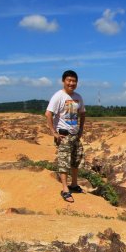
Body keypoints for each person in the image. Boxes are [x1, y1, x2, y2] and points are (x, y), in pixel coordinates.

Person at [45, 70, 86, 203]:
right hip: (63, 135)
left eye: (74, 81)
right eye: (69, 80)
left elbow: (82, 114)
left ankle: (74, 185)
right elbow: (48, 114)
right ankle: (65, 189)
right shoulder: (58, 96)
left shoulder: (78, 97)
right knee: (64, 162)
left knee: (75, 160)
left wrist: (80, 130)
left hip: (75, 135)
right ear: (63, 81)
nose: (71, 83)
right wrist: (54, 132)